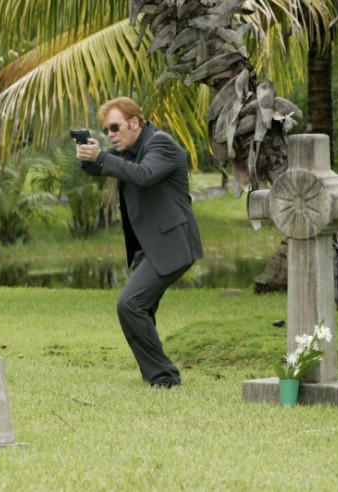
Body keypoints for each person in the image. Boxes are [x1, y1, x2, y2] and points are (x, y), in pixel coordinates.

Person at [75, 97, 203, 388]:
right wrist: (87, 155)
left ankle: (164, 377)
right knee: (141, 308)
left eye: (115, 127)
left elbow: (144, 175)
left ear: (134, 122)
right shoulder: (129, 149)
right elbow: (101, 166)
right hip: (150, 246)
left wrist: (101, 157)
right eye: (106, 131)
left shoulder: (160, 144)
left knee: (130, 305)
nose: (110, 135)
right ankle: (157, 374)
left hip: (172, 244)